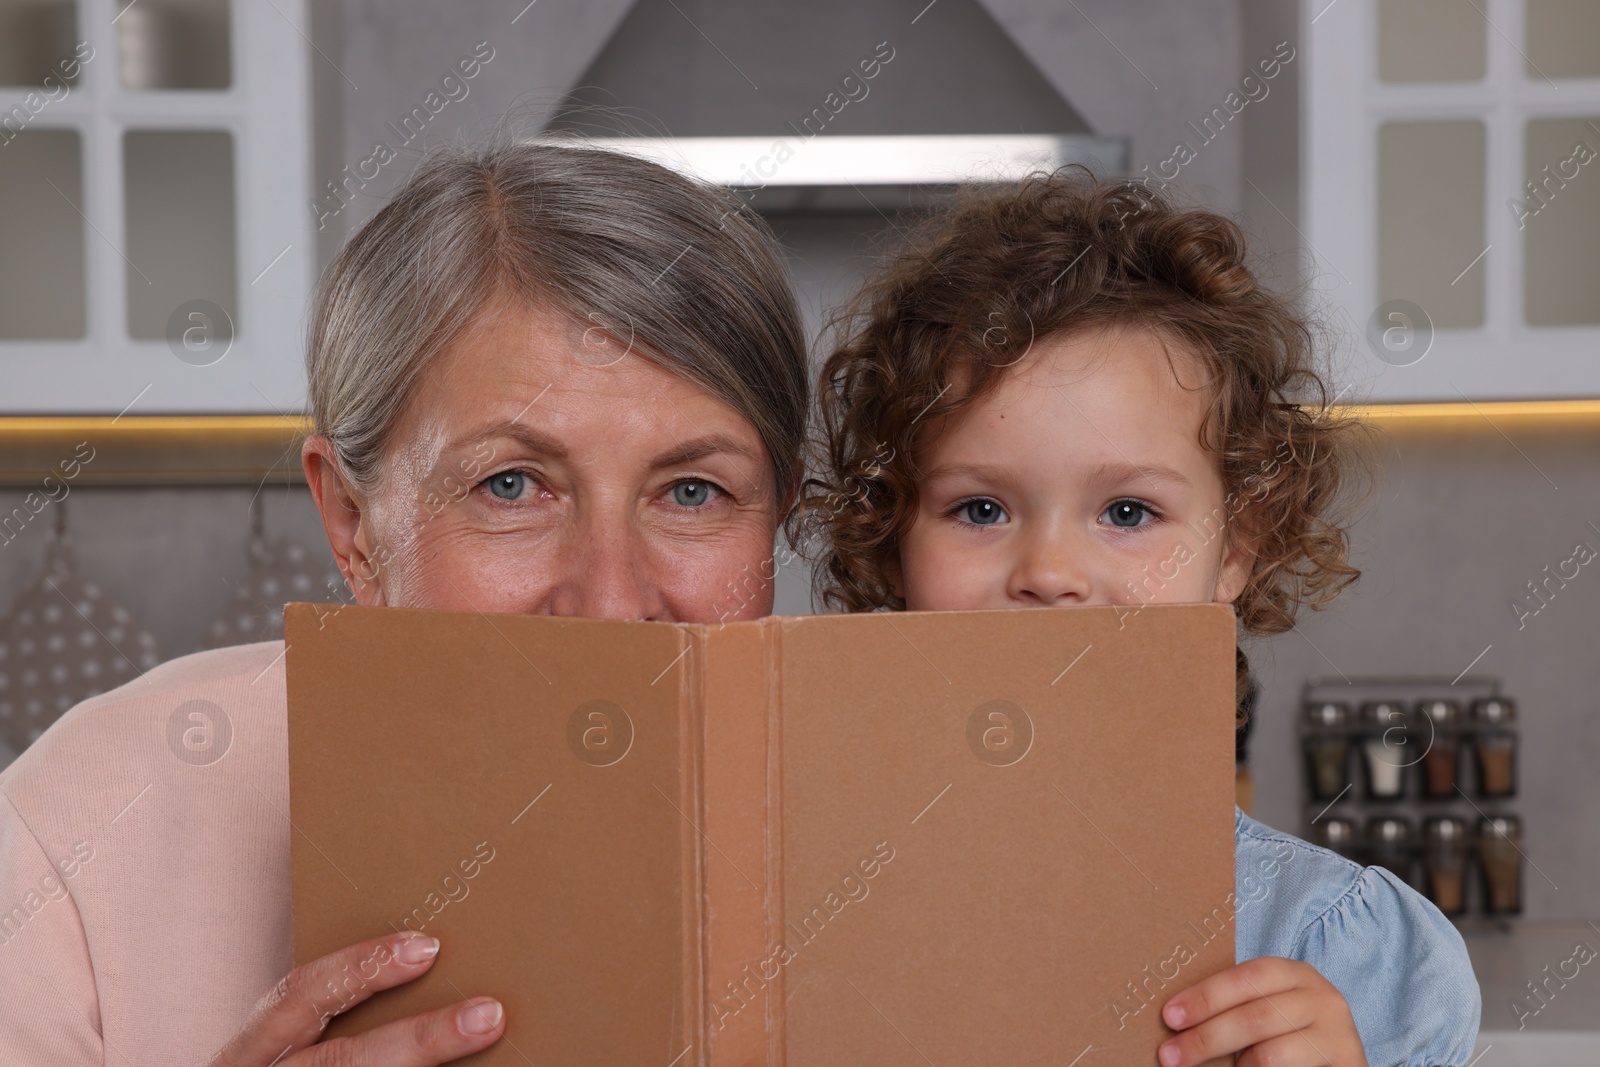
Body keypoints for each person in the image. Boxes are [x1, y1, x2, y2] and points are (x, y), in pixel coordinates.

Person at [0, 140, 809, 1066]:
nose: (612, 604)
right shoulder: (80, 829)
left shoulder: (906, 820)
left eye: (694, 491)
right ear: (351, 523)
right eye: (511, 486)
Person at [805, 169, 1481, 1067]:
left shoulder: (1346, 947)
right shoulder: (809, 906)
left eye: (1127, 513)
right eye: (980, 509)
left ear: (1235, 549)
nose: (1049, 574)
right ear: (894, 543)